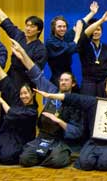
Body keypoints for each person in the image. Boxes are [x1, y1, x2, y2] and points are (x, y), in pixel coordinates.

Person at [34, 75, 107, 171]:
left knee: (105, 164)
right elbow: (74, 98)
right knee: (85, 163)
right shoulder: (94, 102)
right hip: (94, 142)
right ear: (105, 89)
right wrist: (50, 95)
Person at [18, 40, 83, 168]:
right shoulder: (51, 90)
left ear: (73, 84)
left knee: (57, 162)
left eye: (66, 80)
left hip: (61, 140)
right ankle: (44, 153)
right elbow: (36, 73)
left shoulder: (76, 101)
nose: (63, 82)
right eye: (61, 80)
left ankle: (50, 155)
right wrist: (23, 54)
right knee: (25, 160)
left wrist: (59, 121)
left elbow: (77, 131)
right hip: (43, 137)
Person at [0, 0, 47, 87]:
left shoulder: (40, 48)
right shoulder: (19, 36)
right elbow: (6, 21)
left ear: (39, 30)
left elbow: (36, 71)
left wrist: (22, 56)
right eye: (27, 25)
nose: (28, 28)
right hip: (11, 77)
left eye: (32, 26)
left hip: (26, 83)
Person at [45, 1, 95, 86]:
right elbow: (71, 48)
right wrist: (77, 35)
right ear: (53, 28)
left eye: (64, 26)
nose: (62, 29)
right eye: (59, 27)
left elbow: (79, 25)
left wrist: (92, 13)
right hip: (57, 78)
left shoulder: (65, 37)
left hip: (69, 75)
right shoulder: (51, 42)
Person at [78, 10, 107, 97]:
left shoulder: (106, 48)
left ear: (102, 31)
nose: (95, 32)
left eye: (98, 29)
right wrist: (101, 20)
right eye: (94, 30)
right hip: (88, 83)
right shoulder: (84, 44)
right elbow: (85, 34)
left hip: (103, 83)